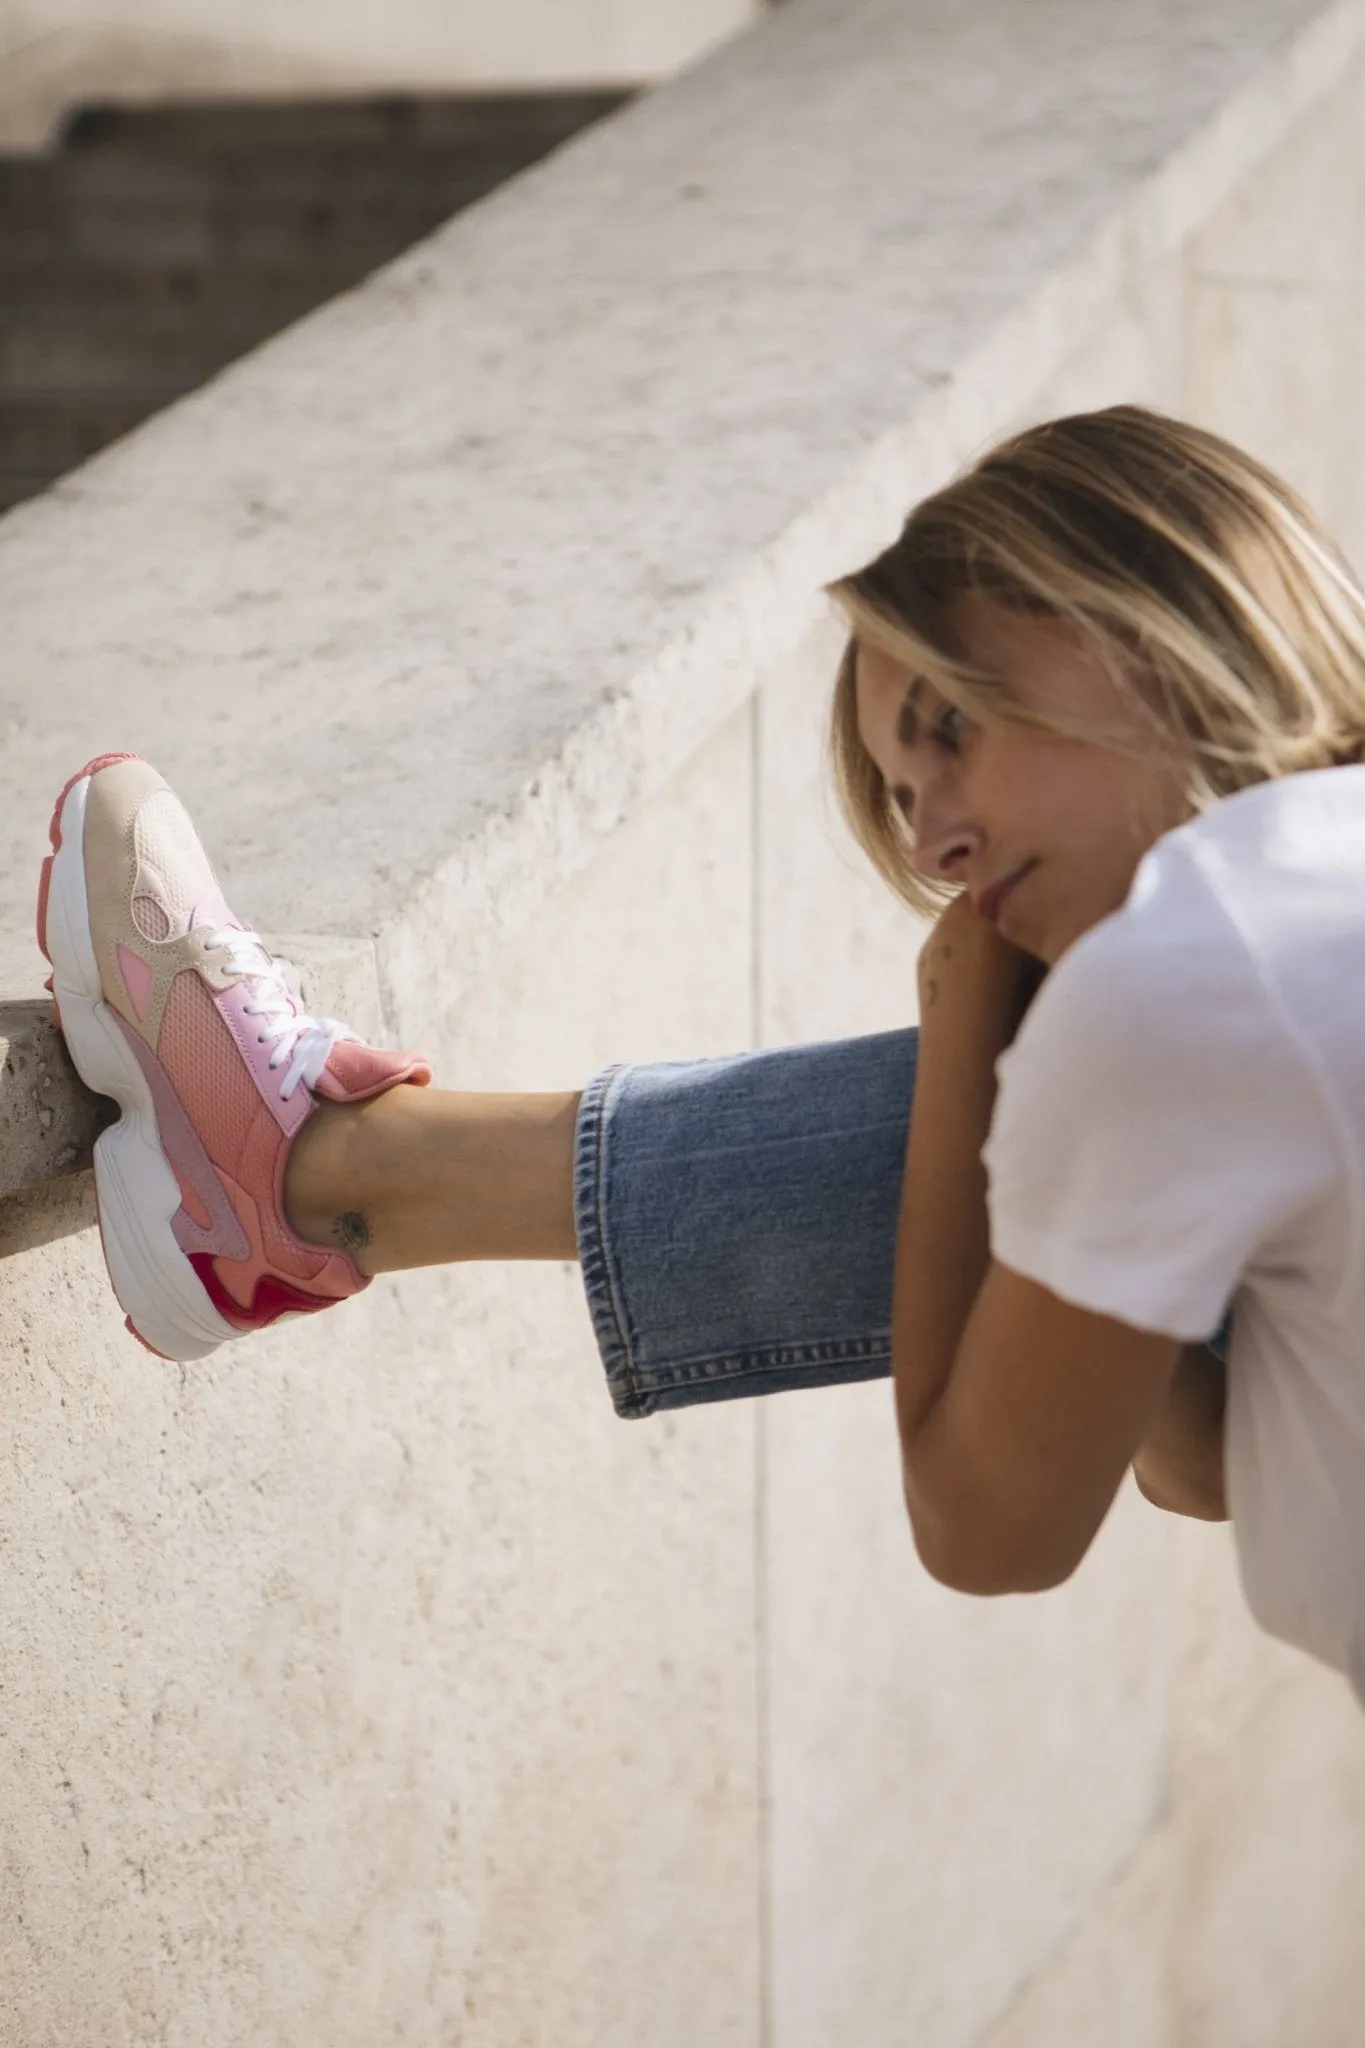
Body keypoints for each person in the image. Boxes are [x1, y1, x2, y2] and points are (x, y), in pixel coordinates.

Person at [37, 405, 1365, 1704]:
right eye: (907, 801)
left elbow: (992, 1526)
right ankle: (315, 1183)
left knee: (1072, 1092)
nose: (934, 852)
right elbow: (1207, 1458)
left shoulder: (1194, 970)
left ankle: (314, 1178)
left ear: (1149, 608)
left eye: (951, 729)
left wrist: (974, 1029)